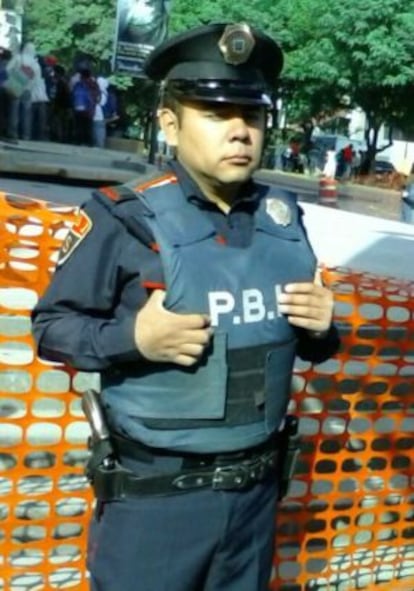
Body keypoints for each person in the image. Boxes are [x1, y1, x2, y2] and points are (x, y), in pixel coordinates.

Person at [31, 22, 339, 591]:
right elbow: (51, 329)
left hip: (255, 498)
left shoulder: (284, 219)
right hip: (157, 506)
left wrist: (324, 329)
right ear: (170, 124)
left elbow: (296, 338)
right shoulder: (124, 218)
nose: (241, 132)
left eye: (252, 116)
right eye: (217, 115)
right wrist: (134, 341)